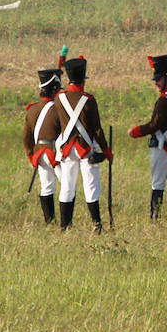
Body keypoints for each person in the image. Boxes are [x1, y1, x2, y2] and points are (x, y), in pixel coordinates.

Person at [53, 56, 112, 234]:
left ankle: (65, 226)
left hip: (66, 149)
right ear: (82, 79)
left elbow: (58, 124)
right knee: (91, 187)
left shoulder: (59, 98)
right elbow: (97, 129)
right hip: (85, 148)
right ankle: (97, 225)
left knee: (67, 187)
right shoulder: (88, 99)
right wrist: (107, 150)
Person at [127, 54, 167, 224]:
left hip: (161, 148)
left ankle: (155, 217)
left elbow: (155, 124)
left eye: (159, 79)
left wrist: (137, 131)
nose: (156, 82)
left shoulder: (163, 100)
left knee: (157, 183)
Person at [22, 66, 64, 225]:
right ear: (54, 88)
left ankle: (50, 221)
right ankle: (66, 222)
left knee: (47, 187)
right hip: (55, 152)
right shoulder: (58, 108)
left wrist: (30, 154)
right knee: (67, 187)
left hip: (39, 153)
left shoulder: (32, 109)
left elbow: (26, 136)